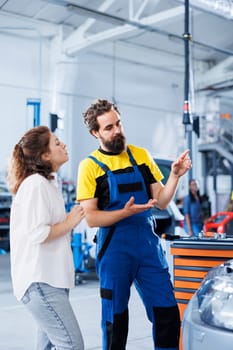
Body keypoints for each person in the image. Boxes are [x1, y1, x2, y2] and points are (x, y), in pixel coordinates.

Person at [76, 99, 192, 350]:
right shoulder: (89, 167)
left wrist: (174, 176)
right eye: (109, 127)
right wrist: (123, 213)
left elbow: (160, 201)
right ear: (95, 133)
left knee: (167, 315)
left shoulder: (140, 155)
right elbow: (92, 217)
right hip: (114, 250)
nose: (117, 130)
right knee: (115, 322)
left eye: (118, 123)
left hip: (148, 247)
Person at [7, 126, 85, 350]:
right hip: (40, 282)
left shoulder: (49, 183)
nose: (63, 145)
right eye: (57, 142)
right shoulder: (35, 185)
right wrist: (70, 222)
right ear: (45, 155)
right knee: (72, 345)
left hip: (51, 281)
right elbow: (38, 232)